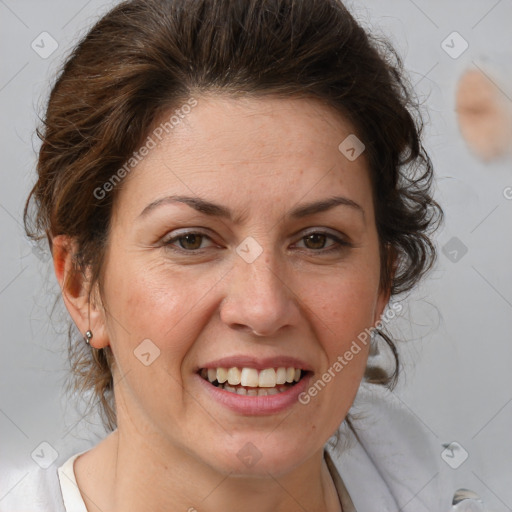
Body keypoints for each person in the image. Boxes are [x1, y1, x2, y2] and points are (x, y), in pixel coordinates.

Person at [10, 0, 488, 510]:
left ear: (382, 283)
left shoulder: (432, 486)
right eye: (190, 240)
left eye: (318, 240)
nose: (262, 308)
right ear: (82, 285)